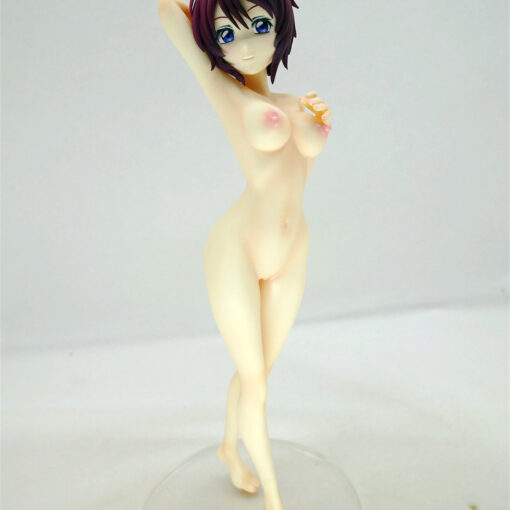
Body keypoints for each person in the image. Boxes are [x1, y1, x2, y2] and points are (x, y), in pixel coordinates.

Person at [157, 1, 331, 508]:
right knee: (256, 383)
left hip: (292, 248)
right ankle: (275, 499)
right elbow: (169, 12)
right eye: (228, 35)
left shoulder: (298, 104)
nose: (250, 45)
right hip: (237, 249)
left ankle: (229, 448)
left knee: (259, 375)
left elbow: (299, 176)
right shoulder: (225, 93)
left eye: (260, 25)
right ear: (212, 44)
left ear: (281, 25)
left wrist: (316, 125)